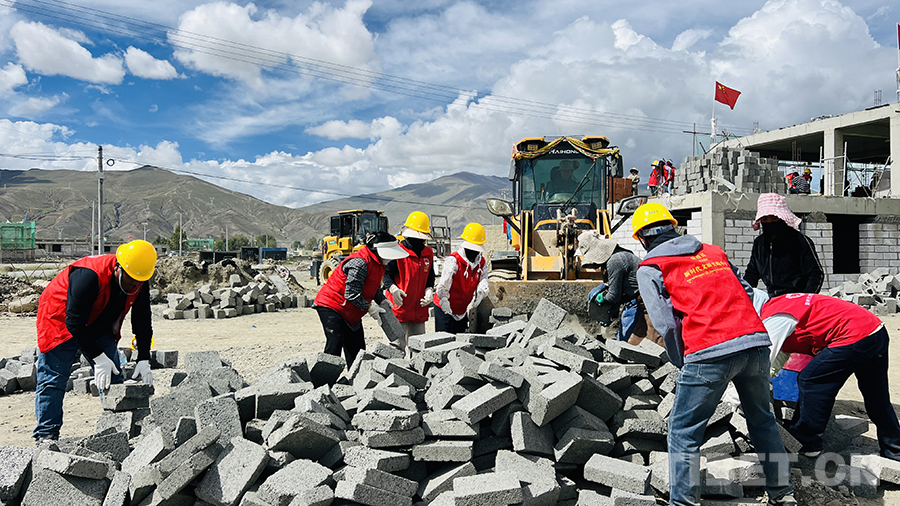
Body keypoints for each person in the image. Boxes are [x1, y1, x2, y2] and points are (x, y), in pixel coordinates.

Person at [633, 202, 795, 506]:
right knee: (762, 420)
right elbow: (748, 292)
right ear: (674, 228)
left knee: (683, 431)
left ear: (642, 239)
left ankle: (684, 503)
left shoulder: (651, 267)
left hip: (708, 350)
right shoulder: (713, 252)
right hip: (755, 344)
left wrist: (682, 359)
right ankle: (783, 495)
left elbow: (664, 323)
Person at [34, 240, 157, 445]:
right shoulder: (88, 275)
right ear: (118, 267)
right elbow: (74, 322)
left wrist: (144, 357)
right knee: (53, 378)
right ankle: (46, 435)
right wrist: (99, 358)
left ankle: (118, 433)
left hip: (99, 321)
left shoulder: (139, 279)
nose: (132, 286)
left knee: (113, 376)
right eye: (130, 280)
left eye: (138, 282)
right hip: (60, 318)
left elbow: (142, 320)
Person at [761, 293, 900, 461]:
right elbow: (781, 350)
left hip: (853, 334)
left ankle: (807, 441)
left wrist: (738, 395)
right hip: (874, 330)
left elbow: (762, 361)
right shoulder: (779, 305)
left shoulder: (773, 319)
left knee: (811, 380)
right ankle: (894, 449)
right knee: (876, 396)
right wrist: (771, 373)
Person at [313, 231, 408, 369]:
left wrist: (382, 300)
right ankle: (325, 379)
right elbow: (351, 293)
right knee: (335, 343)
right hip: (331, 305)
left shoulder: (379, 263)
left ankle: (356, 378)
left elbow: (372, 286)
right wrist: (370, 307)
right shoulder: (360, 263)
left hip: (350, 310)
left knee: (357, 349)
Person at [744, 193, 823, 298]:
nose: (769, 222)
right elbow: (752, 273)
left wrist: (806, 298)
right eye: (765, 219)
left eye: (774, 218)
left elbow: (816, 273)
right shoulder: (759, 243)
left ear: (782, 218)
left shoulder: (799, 240)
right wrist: (744, 295)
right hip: (772, 298)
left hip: (796, 297)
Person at [585, 237, 661, 346]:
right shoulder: (618, 255)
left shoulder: (614, 261)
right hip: (636, 297)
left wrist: (602, 297)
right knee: (627, 334)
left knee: (638, 339)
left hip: (645, 299)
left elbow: (613, 296)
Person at [384, 212, 436, 356]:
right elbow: (386, 275)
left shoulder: (428, 253)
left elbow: (430, 275)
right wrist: (393, 289)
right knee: (395, 348)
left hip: (419, 309)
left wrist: (429, 290)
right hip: (398, 308)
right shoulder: (398, 252)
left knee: (419, 350)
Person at [433, 223, 490, 334]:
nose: (473, 253)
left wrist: (481, 292)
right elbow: (443, 285)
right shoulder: (453, 261)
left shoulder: (481, 263)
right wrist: (443, 299)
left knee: (460, 340)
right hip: (444, 307)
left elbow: (484, 279)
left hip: (461, 310)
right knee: (444, 340)